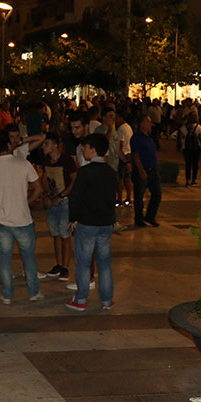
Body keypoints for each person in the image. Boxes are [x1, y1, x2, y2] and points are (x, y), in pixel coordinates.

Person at [0, 129, 44, 304]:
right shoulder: (23, 164)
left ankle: (7, 295)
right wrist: (27, 202)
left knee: (5, 259)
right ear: (9, 144)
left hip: (2, 220)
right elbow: (38, 188)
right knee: (29, 258)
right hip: (23, 219)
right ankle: (34, 292)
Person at [66, 133, 117, 311]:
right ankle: (107, 300)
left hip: (87, 223)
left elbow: (75, 197)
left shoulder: (85, 171)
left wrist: (72, 218)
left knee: (83, 263)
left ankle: (81, 300)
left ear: (93, 149)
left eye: (85, 147)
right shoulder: (110, 172)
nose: (83, 150)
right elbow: (112, 198)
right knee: (104, 263)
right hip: (105, 223)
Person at [38, 133, 77, 282]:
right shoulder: (47, 161)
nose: (44, 147)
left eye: (46, 144)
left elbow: (75, 180)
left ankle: (65, 267)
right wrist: (47, 194)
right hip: (52, 201)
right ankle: (59, 264)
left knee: (65, 235)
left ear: (55, 146)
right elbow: (44, 178)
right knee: (55, 234)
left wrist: (62, 195)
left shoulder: (67, 161)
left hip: (64, 201)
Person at [131, 115, 162, 228]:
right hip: (143, 170)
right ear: (142, 124)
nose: (150, 124)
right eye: (148, 122)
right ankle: (139, 218)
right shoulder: (137, 138)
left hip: (153, 170)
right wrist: (141, 170)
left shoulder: (149, 137)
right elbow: (135, 155)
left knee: (157, 194)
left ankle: (150, 217)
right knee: (139, 196)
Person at [178, 114, 201, 186]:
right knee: (195, 164)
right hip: (196, 148)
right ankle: (194, 180)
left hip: (186, 148)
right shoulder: (198, 127)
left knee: (188, 164)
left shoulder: (184, 127)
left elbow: (181, 138)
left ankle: (187, 180)